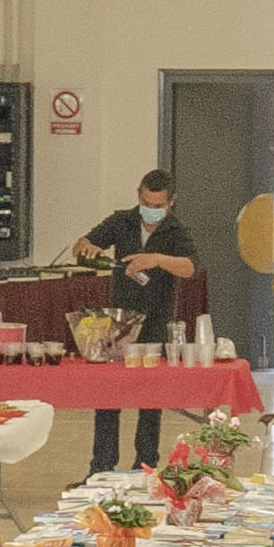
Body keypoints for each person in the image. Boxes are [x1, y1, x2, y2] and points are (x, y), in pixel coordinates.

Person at [70, 166, 202, 469]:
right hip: (118, 321)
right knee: (108, 396)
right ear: (138, 196)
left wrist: (157, 259)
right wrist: (86, 246)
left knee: (150, 398)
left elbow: (190, 267)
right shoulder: (122, 221)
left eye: (158, 206)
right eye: (146, 203)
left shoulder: (176, 231)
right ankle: (102, 466)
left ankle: (145, 465)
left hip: (156, 320)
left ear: (171, 202)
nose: (150, 210)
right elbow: (82, 244)